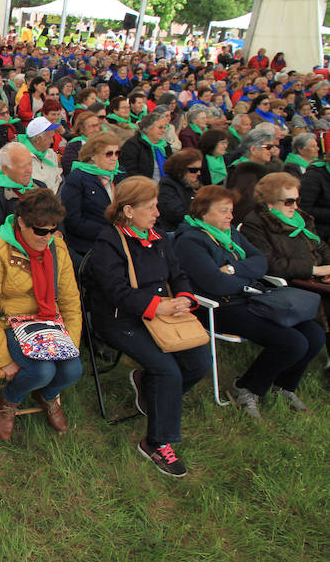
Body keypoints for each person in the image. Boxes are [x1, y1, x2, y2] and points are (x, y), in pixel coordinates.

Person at [84, 176, 211, 477]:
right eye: (151, 207)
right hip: (119, 319)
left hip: (160, 315)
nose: (157, 212)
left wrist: (183, 298)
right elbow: (116, 293)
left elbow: (178, 274)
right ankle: (156, 442)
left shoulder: (158, 236)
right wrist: (157, 306)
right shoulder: (108, 243)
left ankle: (149, 385)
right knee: (168, 370)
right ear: (128, 210)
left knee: (199, 362)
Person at [175, 185, 322, 418]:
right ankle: (244, 388)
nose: (230, 216)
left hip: (250, 297)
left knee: (314, 334)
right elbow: (215, 283)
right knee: (292, 342)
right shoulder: (190, 241)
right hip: (219, 307)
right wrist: (246, 280)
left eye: (231, 211)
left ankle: (282, 385)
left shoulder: (230, 232)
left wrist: (234, 269)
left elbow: (260, 261)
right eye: (224, 211)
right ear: (204, 213)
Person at [0, 190, 82, 439]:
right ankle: (9, 399)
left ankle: (45, 395)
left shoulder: (57, 247)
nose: (47, 237)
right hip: (10, 323)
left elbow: (70, 300)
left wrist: (70, 346)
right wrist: (2, 359)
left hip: (47, 322)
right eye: (40, 230)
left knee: (72, 370)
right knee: (42, 371)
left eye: (52, 230)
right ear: (21, 221)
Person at [241, 172, 330, 338]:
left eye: (297, 200)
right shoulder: (255, 224)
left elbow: (321, 246)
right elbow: (268, 263)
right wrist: (315, 270)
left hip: (317, 279)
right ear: (270, 202)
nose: (295, 206)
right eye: (289, 201)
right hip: (292, 284)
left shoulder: (300, 218)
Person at [60, 131, 123, 257]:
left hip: (117, 240)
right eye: (109, 153)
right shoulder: (77, 178)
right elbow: (72, 220)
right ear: (93, 156)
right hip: (89, 246)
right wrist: (108, 232)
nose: (114, 157)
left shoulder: (118, 176)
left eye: (117, 153)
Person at [0, 141, 47, 237]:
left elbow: (56, 217)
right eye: (23, 166)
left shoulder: (40, 187)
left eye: (30, 164)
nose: (29, 170)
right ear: (5, 169)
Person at [157, 149, 203, 233]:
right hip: (176, 231)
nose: (198, 173)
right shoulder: (167, 184)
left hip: (195, 228)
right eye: (193, 170)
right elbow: (176, 214)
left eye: (200, 169)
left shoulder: (197, 185)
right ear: (181, 168)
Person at [119, 109, 173, 180]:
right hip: (143, 186)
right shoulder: (132, 145)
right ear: (147, 128)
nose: (163, 131)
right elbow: (130, 172)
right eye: (160, 127)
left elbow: (172, 170)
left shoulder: (165, 146)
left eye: (164, 127)